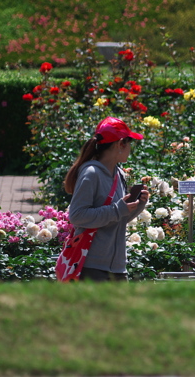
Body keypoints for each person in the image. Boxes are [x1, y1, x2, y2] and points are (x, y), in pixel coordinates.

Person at [64, 117, 148, 282]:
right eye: (129, 143)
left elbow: (118, 218)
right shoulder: (91, 174)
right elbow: (77, 216)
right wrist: (117, 209)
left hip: (117, 267)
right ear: (120, 144)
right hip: (91, 267)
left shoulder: (119, 174)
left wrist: (138, 205)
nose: (130, 149)